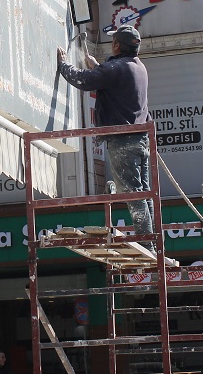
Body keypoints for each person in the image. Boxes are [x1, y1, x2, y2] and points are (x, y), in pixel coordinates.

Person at [56, 25, 152, 235]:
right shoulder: (138, 67)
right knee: (143, 192)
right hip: (140, 139)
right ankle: (152, 239)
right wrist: (98, 67)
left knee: (132, 193)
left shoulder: (115, 68)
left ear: (117, 45)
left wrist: (63, 65)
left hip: (123, 141)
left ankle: (147, 240)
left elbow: (83, 80)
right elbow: (114, 83)